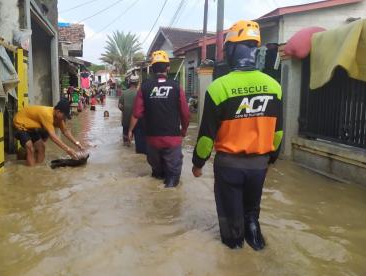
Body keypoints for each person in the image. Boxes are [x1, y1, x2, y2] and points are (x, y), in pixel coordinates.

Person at [191, 20, 283, 251]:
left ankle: (234, 256)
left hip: (229, 166)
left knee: (232, 224)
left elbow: (205, 137)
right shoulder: (274, 86)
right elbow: (278, 132)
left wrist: (197, 163)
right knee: (251, 213)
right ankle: (258, 246)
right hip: (259, 166)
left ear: (232, 49)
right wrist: (271, 157)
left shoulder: (218, 88)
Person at [128, 50, 190, 188]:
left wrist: (130, 131)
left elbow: (136, 113)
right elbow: (185, 113)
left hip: (152, 140)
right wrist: (184, 130)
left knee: (156, 176)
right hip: (172, 139)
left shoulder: (144, 88)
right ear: (168, 67)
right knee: (172, 182)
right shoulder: (176, 87)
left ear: (152, 68)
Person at [13, 98, 84, 166]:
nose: (64, 118)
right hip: (20, 123)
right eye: (64, 116)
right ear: (58, 111)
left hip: (30, 127)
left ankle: (38, 168)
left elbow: (65, 131)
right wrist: (68, 149)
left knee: (41, 147)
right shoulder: (47, 114)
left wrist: (77, 143)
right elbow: (53, 137)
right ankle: (31, 172)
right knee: (30, 148)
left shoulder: (59, 118)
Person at [119, 75, 146, 153]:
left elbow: (120, 106)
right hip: (138, 122)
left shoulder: (124, 93)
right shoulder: (140, 93)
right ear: (138, 83)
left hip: (126, 121)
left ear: (129, 82)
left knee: (126, 143)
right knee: (138, 145)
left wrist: (125, 110)